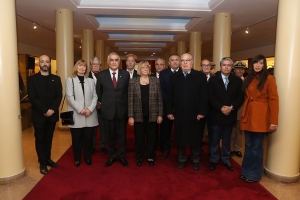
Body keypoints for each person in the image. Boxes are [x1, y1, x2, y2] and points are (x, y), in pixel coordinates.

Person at [240, 54, 279, 183]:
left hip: (261, 117)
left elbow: (274, 101)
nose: (258, 65)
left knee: (257, 147)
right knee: (248, 145)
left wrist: (273, 121)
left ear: (264, 65)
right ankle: (246, 171)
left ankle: (254, 175)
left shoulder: (269, 79)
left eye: (261, 63)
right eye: (255, 63)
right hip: (248, 115)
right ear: (252, 65)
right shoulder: (248, 78)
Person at [167, 53, 208, 170]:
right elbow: (169, 95)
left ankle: (196, 159)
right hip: (179, 113)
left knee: (195, 137)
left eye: (188, 60)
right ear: (180, 63)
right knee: (180, 137)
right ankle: (181, 158)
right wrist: (169, 111)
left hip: (195, 114)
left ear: (192, 62)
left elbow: (204, 96)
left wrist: (201, 112)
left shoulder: (200, 76)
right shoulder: (174, 77)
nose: (185, 63)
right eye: (183, 60)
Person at [27, 55, 62, 175]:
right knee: (40, 139)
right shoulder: (32, 79)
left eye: (47, 61)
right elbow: (33, 97)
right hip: (39, 116)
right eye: (42, 62)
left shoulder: (56, 79)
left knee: (49, 138)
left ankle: (48, 159)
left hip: (52, 115)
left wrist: (52, 109)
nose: (45, 64)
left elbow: (59, 96)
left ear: (50, 63)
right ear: (39, 64)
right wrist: (44, 110)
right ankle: (42, 163)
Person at [208, 57, 244, 171]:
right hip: (216, 115)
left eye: (229, 65)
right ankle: (213, 159)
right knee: (214, 139)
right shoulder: (213, 80)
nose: (227, 67)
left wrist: (231, 108)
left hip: (230, 115)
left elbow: (240, 97)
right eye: (224, 65)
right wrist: (220, 108)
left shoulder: (237, 81)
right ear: (220, 66)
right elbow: (209, 97)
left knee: (227, 139)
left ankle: (226, 159)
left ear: (232, 67)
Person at [96, 52, 130, 167]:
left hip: (122, 111)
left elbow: (127, 92)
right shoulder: (101, 75)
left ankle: (121, 156)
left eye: (116, 60)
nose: (114, 62)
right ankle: (111, 156)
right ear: (108, 62)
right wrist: (107, 102)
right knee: (110, 136)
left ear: (119, 62)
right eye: (112, 60)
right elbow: (99, 93)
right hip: (108, 110)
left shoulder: (125, 74)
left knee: (122, 135)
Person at [128, 61, 163, 167]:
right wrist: (130, 116)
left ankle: (150, 156)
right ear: (139, 69)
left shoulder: (155, 81)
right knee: (139, 138)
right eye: (143, 67)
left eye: (147, 67)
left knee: (151, 138)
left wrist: (160, 114)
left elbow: (159, 99)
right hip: (138, 115)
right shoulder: (133, 81)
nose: (145, 69)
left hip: (152, 114)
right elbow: (130, 100)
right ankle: (139, 157)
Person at [66, 59, 98, 167]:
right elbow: (70, 97)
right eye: (80, 65)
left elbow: (95, 96)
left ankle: (88, 157)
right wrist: (81, 109)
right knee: (76, 139)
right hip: (76, 114)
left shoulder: (91, 81)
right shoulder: (70, 80)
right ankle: (77, 158)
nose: (82, 68)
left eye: (84, 66)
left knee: (88, 139)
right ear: (76, 67)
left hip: (90, 115)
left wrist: (89, 109)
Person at [159, 54, 181, 160]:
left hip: (181, 107)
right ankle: (166, 149)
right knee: (166, 130)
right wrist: (169, 105)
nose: (175, 62)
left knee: (180, 129)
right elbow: (162, 90)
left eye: (177, 60)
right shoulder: (163, 74)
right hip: (167, 106)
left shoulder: (184, 72)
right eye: (173, 60)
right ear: (169, 63)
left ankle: (180, 150)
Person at [88, 57, 107, 155]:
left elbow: (107, 91)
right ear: (90, 66)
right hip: (90, 107)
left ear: (100, 66)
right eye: (94, 64)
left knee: (103, 128)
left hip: (102, 106)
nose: (96, 66)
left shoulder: (104, 76)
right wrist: (93, 104)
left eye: (97, 64)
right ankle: (92, 145)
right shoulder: (86, 77)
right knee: (92, 128)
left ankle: (103, 145)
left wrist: (101, 103)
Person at [230, 61, 246, 158]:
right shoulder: (231, 80)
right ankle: (230, 148)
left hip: (242, 109)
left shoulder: (247, 82)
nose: (239, 71)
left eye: (241, 69)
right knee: (231, 130)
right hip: (231, 108)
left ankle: (237, 148)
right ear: (234, 70)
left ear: (244, 70)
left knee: (240, 131)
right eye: (237, 69)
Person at [200, 59, 215, 154]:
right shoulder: (196, 77)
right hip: (200, 109)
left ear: (210, 67)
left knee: (212, 132)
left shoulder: (215, 78)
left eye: (208, 65)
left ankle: (212, 151)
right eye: (204, 65)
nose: (206, 67)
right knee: (200, 131)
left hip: (213, 110)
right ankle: (198, 149)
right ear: (201, 67)